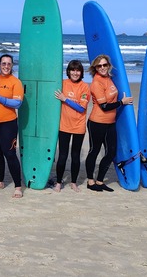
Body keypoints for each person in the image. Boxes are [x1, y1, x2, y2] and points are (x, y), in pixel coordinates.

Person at [85, 54, 134, 192]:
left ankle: (100, 181)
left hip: (110, 122)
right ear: (95, 68)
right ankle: (90, 181)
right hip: (97, 122)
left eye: (104, 65)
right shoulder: (96, 83)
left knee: (111, 152)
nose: (102, 68)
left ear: (108, 66)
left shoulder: (109, 79)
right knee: (94, 151)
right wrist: (121, 102)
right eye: (99, 65)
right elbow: (104, 106)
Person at [0, 54, 24, 198]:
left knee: (10, 154)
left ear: (12, 65)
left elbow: (17, 103)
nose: (6, 66)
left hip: (8, 123)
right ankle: (0, 181)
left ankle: (18, 186)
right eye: (3, 63)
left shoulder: (16, 82)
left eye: (9, 64)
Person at [53, 59, 90, 193]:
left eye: (78, 70)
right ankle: (58, 182)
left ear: (81, 72)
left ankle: (73, 182)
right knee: (62, 156)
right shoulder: (62, 84)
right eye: (73, 70)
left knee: (75, 156)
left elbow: (81, 108)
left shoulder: (85, 87)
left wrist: (65, 99)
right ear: (68, 71)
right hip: (64, 125)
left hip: (78, 126)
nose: (75, 73)